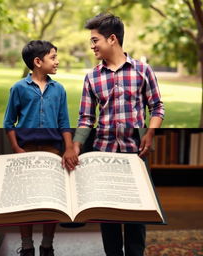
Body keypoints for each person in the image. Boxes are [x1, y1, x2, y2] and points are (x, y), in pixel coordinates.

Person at [71, 13, 165, 256]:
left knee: (136, 217)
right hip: (104, 154)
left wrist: (151, 132)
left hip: (136, 155)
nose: (92, 46)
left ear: (112, 39)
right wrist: (76, 146)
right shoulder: (92, 77)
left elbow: (156, 107)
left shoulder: (142, 70)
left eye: (95, 40)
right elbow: (86, 119)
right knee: (109, 218)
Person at [3, 40, 78, 256]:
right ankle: (27, 246)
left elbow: (64, 122)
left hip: (53, 152)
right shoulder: (18, 88)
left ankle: (47, 245)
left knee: (50, 202)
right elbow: (9, 122)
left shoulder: (59, 89)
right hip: (25, 151)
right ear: (37, 62)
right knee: (25, 200)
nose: (57, 61)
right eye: (53, 57)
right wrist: (16, 148)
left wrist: (68, 148)